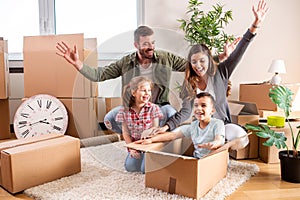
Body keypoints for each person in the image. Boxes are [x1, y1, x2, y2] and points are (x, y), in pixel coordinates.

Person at [55, 25, 235, 134]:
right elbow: (99, 75)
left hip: (161, 107)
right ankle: (134, 138)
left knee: (174, 118)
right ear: (136, 45)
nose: (151, 47)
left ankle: (158, 142)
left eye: (153, 43)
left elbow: (193, 65)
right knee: (109, 118)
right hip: (136, 108)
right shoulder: (126, 62)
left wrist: (220, 57)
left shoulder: (165, 58)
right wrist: (78, 63)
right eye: (146, 44)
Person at [168, 0, 269, 148]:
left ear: (209, 60)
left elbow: (239, 52)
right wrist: (166, 126)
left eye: (202, 60)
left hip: (222, 125)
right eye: (193, 62)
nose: (198, 66)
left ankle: (221, 149)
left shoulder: (221, 72)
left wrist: (255, 24)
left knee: (241, 138)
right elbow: (185, 112)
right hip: (201, 127)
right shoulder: (189, 82)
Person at [135, 92, 225, 159]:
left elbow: (219, 140)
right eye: (196, 105)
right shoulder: (193, 126)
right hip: (197, 159)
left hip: (213, 159)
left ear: (212, 110)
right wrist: (151, 140)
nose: (199, 109)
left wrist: (213, 144)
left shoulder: (217, 124)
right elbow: (173, 135)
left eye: (203, 105)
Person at [115, 76, 163, 173]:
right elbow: (126, 133)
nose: (147, 93)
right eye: (143, 90)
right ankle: (139, 157)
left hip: (149, 144)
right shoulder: (124, 111)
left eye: (149, 90)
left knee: (144, 169)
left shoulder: (154, 108)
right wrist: (132, 148)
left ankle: (147, 157)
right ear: (133, 92)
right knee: (130, 167)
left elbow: (155, 128)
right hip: (135, 145)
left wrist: (150, 132)